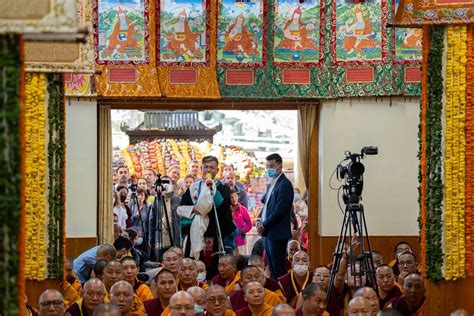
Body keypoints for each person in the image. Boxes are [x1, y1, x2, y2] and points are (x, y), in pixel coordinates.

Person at [178, 156, 235, 278]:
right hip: (195, 231)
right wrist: (194, 210)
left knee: (212, 266)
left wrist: (211, 189)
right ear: (201, 169)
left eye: (212, 167)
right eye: (206, 167)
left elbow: (223, 206)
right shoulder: (193, 187)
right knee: (193, 264)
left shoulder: (222, 188)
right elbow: (182, 206)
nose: (209, 170)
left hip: (214, 232)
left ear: (217, 170)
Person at [256, 153, 294, 279]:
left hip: (277, 233)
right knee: (271, 267)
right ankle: (276, 293)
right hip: (268, 232)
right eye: (267, 166)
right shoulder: (271, 184)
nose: (269, 169)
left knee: (278, 268)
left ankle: (283, 294)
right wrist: (259, 220)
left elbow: (280, 210)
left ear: (280, 166)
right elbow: (265, 205)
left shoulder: (285, 184)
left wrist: (264, 225)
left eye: (271, 166)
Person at [149, 175, 181, 261]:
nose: (165, 185)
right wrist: (151, 239)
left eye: (167, 182)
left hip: (174, 234)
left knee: (175, 259)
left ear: (172, 185)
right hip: (160, 236)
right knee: (161, 260)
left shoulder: (178, 200)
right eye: (163, 183)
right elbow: (151, 221)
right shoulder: (156, 200)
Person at [230, 190, 252, 255]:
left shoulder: (243, 209)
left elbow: (249, 224)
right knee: (231, 261)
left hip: (241, 239)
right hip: (231, 240)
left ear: (238, 197)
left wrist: (242, 230)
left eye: (235, 196)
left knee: (242, 259)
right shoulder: (227, 210)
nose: (234, 199)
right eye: (231, 197)